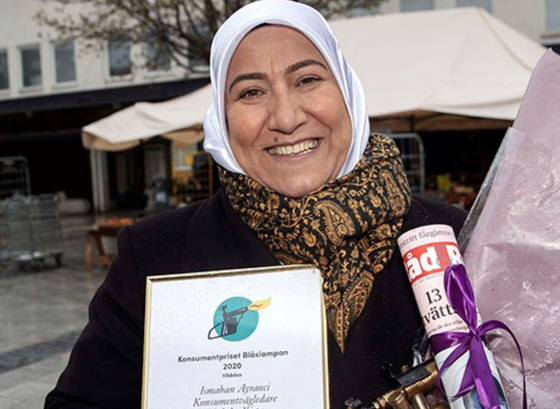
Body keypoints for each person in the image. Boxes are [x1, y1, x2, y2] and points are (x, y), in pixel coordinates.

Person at [45, 1, 466, 408]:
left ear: (347, 91)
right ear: (222, 119)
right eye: (251, 92)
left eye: (307, 80)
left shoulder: (456, 237)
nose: (285, 118)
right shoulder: (154, 255)